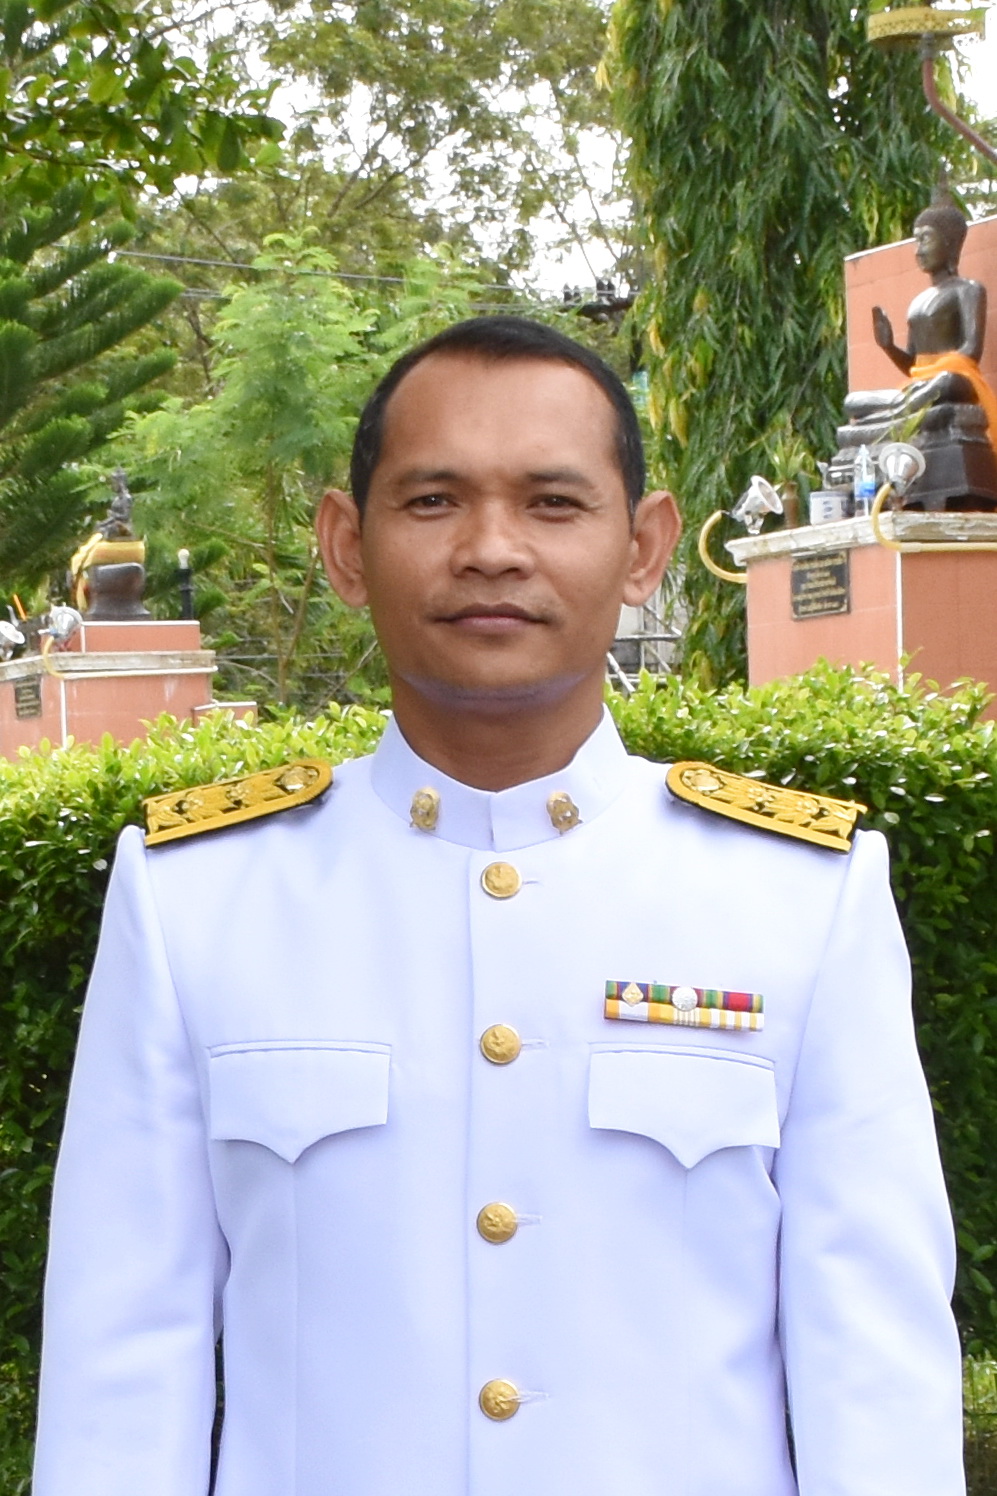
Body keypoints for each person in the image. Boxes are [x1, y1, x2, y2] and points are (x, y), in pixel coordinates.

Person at [34, 316, 964, 1496]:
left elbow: (876, 1383)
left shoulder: (797, 898)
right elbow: (120, 1375)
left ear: (644, 545)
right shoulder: (197, 900)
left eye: (552, 503)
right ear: (345, 545)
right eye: (432, 501)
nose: (490, 549)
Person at [844, 200, 997, 458]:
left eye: (926, 240)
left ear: (949, 243)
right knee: (853, 402)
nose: (918, 250)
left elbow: (971, 350)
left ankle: (896, 412)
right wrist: (889, 347)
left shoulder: (968, 290)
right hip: (920, 387)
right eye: (916, 241)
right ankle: (900, 408)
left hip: (953, 382)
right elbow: (913, 365)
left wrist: (933, 377)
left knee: (946, 382)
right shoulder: (917, 302)